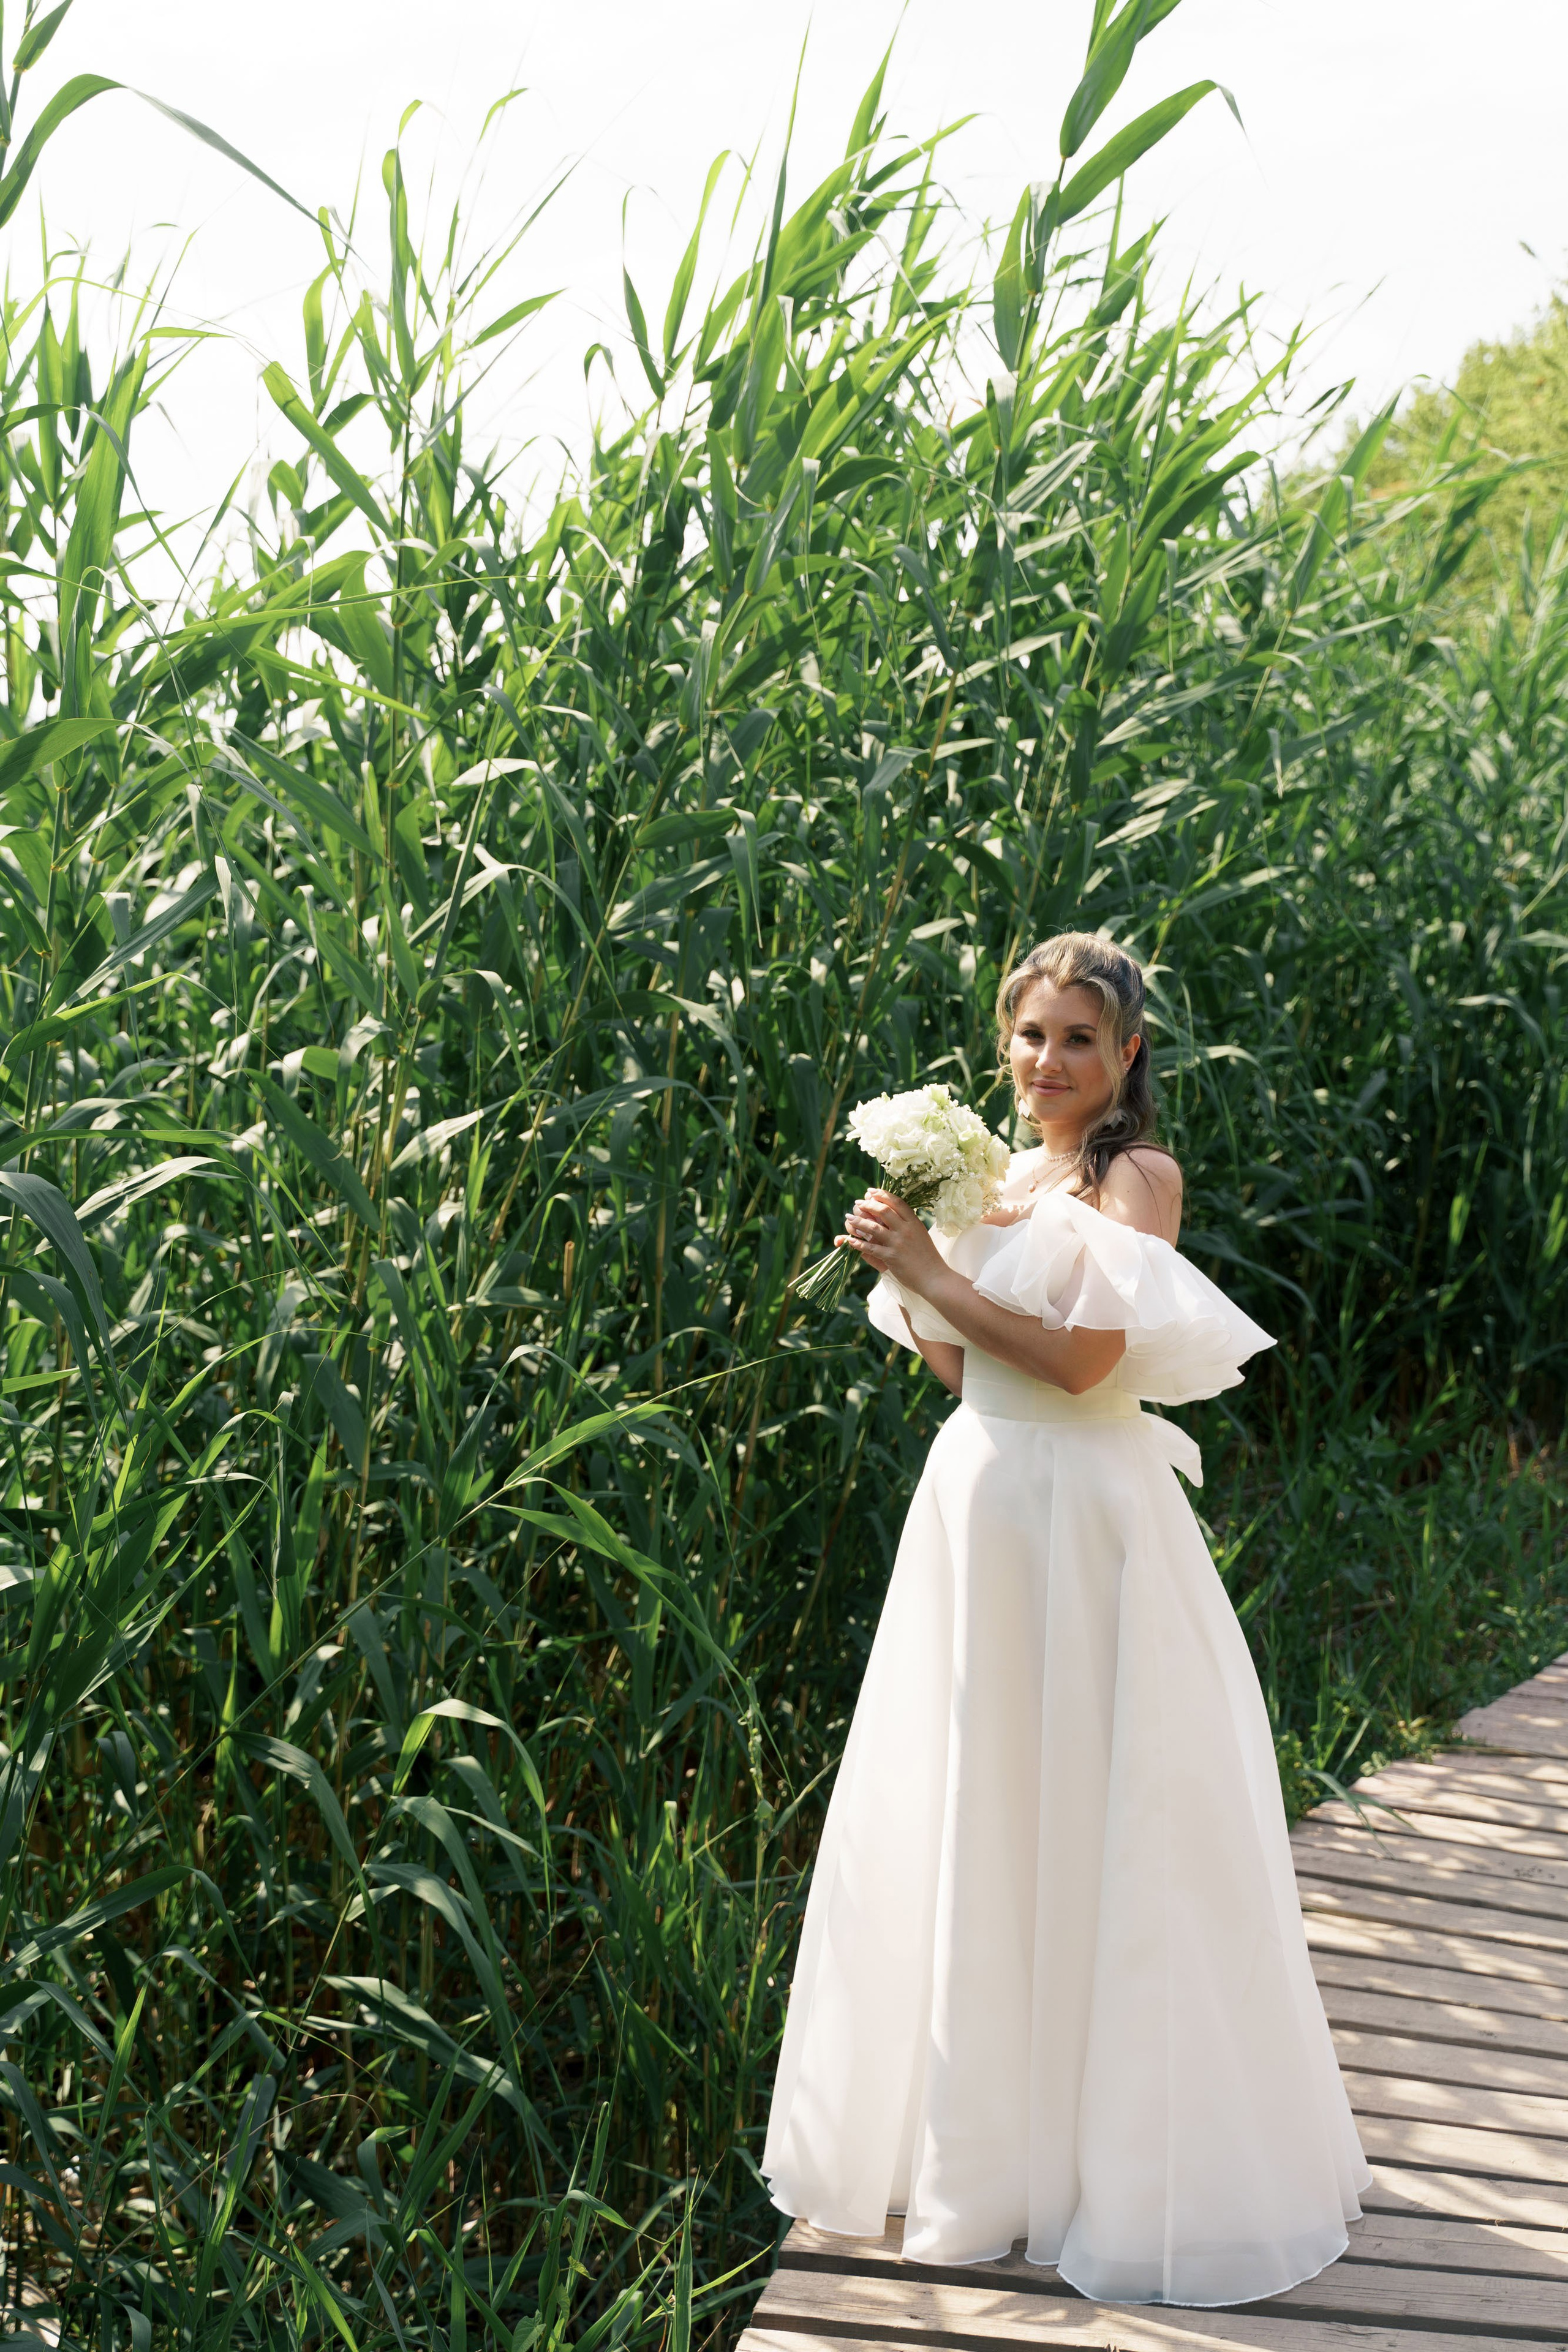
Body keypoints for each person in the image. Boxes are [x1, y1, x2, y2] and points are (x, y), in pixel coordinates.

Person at [761, 931, 1370, 2308]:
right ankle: (988, 2159)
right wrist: (908, 1255)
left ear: (1126, 1055)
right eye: (1030, 1037)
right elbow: (953, 1360)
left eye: (1078, 1041)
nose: (1049, 1064)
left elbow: (1082, 1358)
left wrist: (937, 1262)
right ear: (1002, 1042)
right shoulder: (989, 1175)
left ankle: (1119, 2161)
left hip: (1084, 1510)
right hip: (977, 1495)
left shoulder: (1130, 1179)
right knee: (975, 1804)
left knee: (1103, 1808)